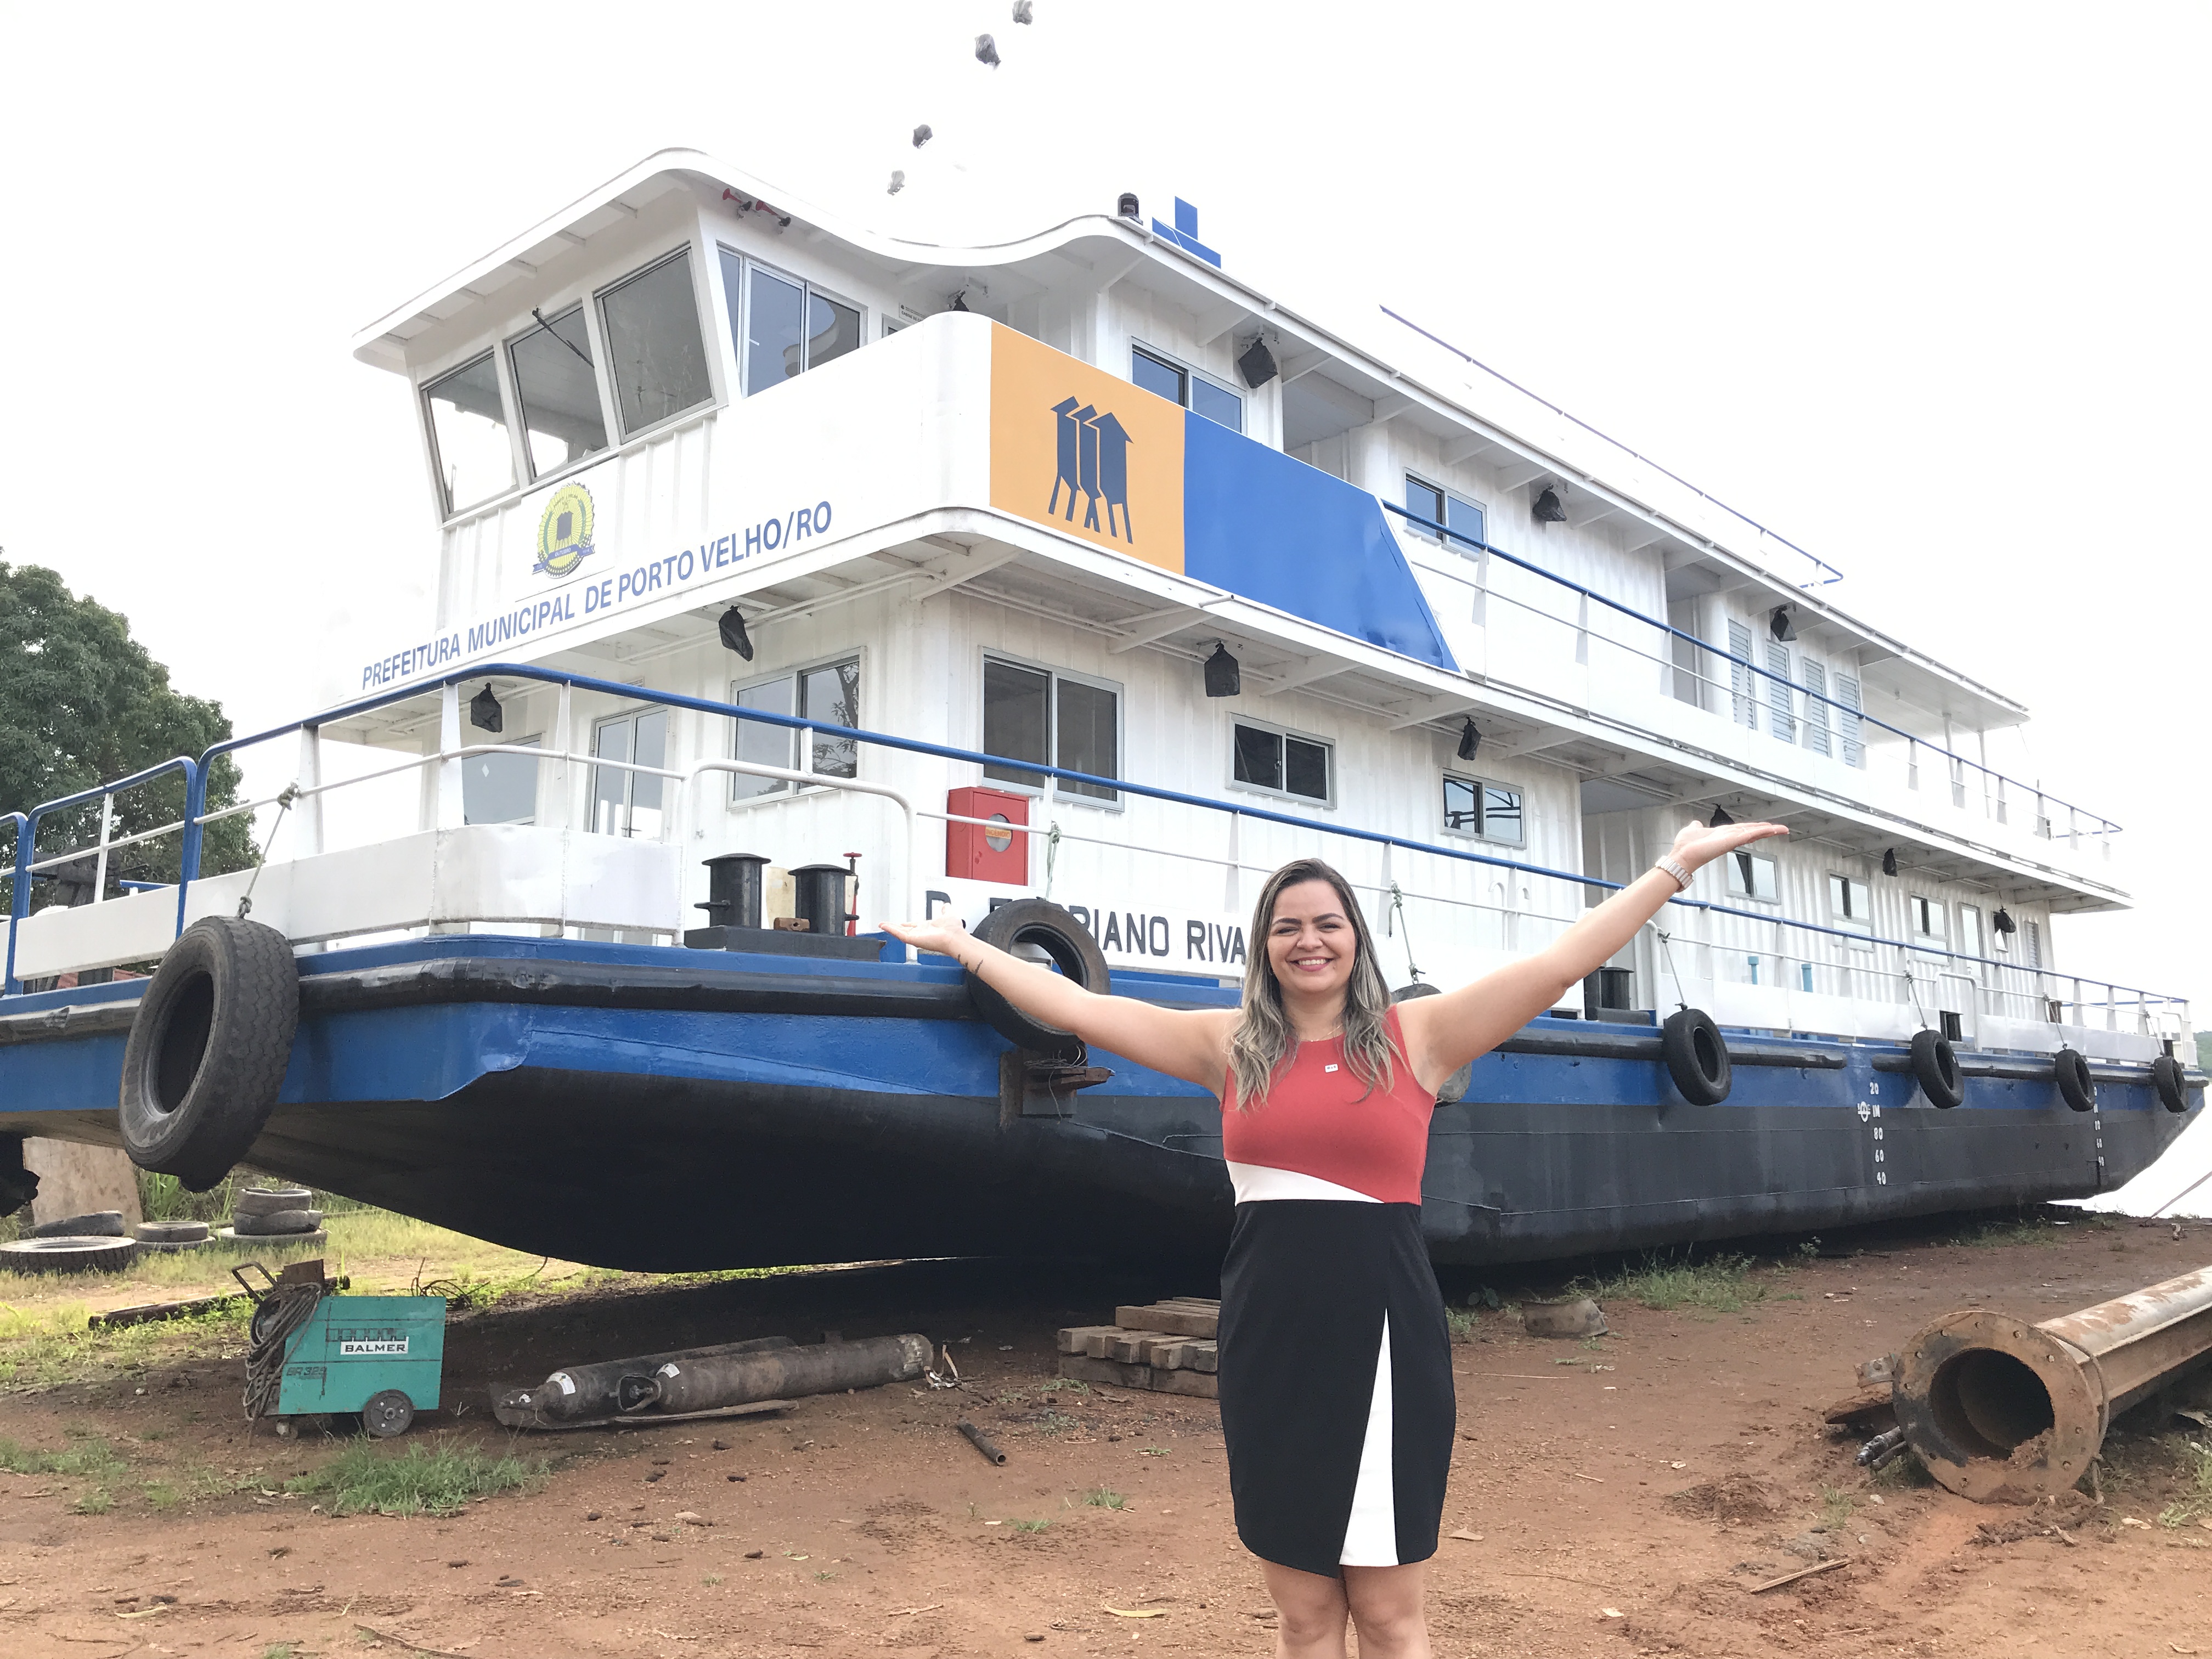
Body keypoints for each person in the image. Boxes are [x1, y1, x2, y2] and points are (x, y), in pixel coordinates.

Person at [885, 814, 1785, 1659]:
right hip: (1271, 1344)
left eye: (1327, 923)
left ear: (1356, 937)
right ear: (1264, 946)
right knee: (1305, 1615)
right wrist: (967, 945)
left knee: (1389, 1618)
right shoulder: (1229, 1046)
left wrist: (1675, 865)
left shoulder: (1417, 1037)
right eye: (1288, 927)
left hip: (1387, 1340)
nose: (1308, 941)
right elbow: (1076, 1006)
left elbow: (1557, 968)